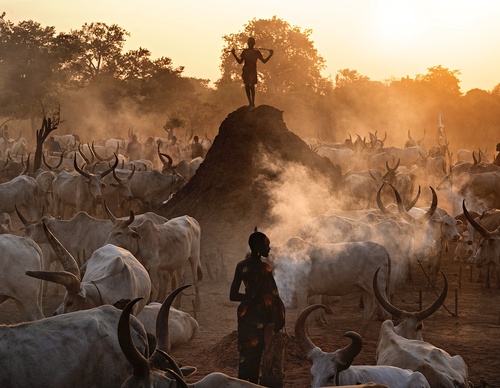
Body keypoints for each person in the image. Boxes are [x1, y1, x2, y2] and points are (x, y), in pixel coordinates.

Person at [229, 229, 285, 384]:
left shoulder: (241, 266)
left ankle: (243, 384)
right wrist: (278, 320)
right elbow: (273, 297)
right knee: (258, 356)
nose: (269, 248)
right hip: (260, 318)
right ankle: (253, 384)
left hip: (245, 316)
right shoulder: (265, 268)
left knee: (245, 356)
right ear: (258, 248)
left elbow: (233, 295)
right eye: (267, 246)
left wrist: (249, 298)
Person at [231, 37, 274, 109]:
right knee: (247, 86)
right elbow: (240, 62)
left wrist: (270, 55)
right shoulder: (245, 52)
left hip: (252, 71)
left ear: (254, 44)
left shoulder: (256, 52)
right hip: (246, 70)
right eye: (249, 42)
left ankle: (253, 104)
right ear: (247, 43)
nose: (250, 44)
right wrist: (234, 54)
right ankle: (250, 103)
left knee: (252, 86)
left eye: (251, 42)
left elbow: (264, 61)